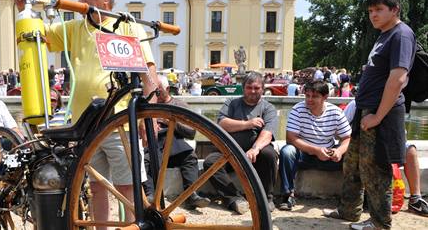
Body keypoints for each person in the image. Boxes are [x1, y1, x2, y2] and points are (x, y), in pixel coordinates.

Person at [13, 0, 159, 225]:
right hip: (86, 124)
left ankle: (133, 226)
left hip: (119, 123)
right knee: (95, 187)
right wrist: (25, 8)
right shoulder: (74, 28)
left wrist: (150, 116)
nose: (80, 0)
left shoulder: (126, 25)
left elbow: (148, 71)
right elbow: (39, 36)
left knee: (128, 187)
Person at [323, 0, 417, 230]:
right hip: (366, 110)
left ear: (394, 10)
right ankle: (349, 211)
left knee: (376, 171)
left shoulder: (401, 35)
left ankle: (379, 223)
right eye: (370, 11)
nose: (373, 15)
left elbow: (397, 78)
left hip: (380, 114)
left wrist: (377, 116)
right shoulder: (385, 34)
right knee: (353, 164)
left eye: (378, 10)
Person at [203, 72, 278, 214]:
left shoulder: (268, 108)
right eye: (249, 87)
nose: (253, 91)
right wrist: (248, 124)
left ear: (263, 89)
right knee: (210, 162)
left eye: (257, 88)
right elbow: (222, 123)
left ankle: (266, 197)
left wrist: (255, 148)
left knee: (269, 154)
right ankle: (234, 198)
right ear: (243, 88)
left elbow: (267, 133)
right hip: (229, 151)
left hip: (255, 154)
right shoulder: (231, 102)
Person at [343, 100, 428, 217]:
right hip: (360, 143)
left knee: (410, 150)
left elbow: (400, 134)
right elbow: (343, 127)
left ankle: (415, 199)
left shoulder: (395, 103)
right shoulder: (357, 103)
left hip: (385, 145)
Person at [278, 80, 351, 211]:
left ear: (325, 97)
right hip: (304, 154)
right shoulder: (298, 109)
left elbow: (348, 138)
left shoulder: (336, 112)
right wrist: (316, 150)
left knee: (353, 156)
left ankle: (350, 198)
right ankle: (287, 194)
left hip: (328, 154)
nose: (309, 100)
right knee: (287, 151)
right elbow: (291, 138)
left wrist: (339, 151)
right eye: (307, 96)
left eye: (315, 96)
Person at [141, 75, 210, 209]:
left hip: (175, 145)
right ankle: (150, 194)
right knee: (146, 159)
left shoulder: (180, 105)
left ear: (167, 89)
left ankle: (191, 194)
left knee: (190, 157)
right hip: (155, 144)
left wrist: (171, 122)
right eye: (154, 91)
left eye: (158, 90)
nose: (156, 94)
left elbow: (191, 132)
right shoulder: (149, 106)